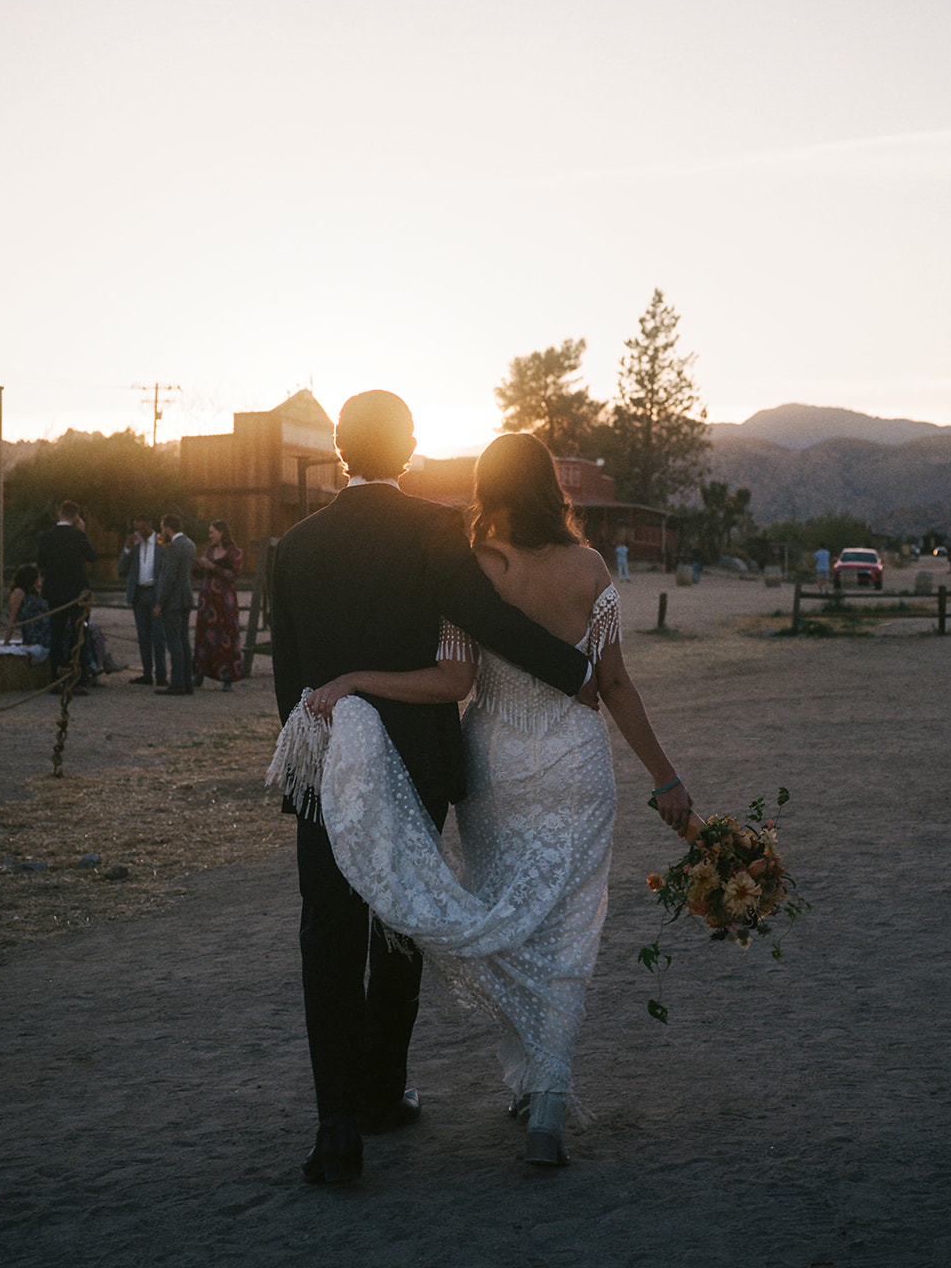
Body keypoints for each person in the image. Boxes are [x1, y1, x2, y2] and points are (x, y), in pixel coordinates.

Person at [299, 432, 694, 1172]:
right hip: (576, 763)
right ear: (550, 484)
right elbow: (612, 684)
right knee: (569, 933)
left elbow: (451, 683)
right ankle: (546, 1097)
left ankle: (533, 1081)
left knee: (514, 927)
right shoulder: (588, 567)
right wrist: (665, 780)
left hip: (497, 768)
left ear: (488, 484)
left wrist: (356, 679)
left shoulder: (477, 567)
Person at [268, 391, 596, 1188]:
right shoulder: (431, 530)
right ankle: (382, 1091)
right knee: (400, 919)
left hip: (324, 758)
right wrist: (575, 671)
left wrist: (310, 755)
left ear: (341, 448)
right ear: (409, 446)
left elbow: (288, 679)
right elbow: (489, 620)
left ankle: (335, 1126)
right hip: (414, 759)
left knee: (330, 930)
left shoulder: (292, 547)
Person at [37, 501, 97, 692]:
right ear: (76, 517)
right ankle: (78, 679)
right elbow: (92, 556)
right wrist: (82, 532)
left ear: (59, 514)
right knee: (79, 634)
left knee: (56, 634)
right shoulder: (78, 536)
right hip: (77, 592)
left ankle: (56, 678)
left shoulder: (45, 536)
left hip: (54, 591)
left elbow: (40, 562)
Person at [193, 520, 244, 690]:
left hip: (225, 602)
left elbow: (233, 575)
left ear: (221, 533)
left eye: (212, 532)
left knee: (226, 636)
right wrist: (199, 565)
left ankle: (227, 677)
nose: (210, 535)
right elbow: (199, 574)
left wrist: (213, 567)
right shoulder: (209, 550)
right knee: (203, 635)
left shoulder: (234, 552)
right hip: (207, 601)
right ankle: (199, 674)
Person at [118, 515, 167, 686]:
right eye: (135, 529)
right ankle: (147, 673)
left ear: (149, 525)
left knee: (159, 635)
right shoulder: (134, 545)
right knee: (143, 635)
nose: (138, 532)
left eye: (141, 528)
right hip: (138, 594)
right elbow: (121, 569)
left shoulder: (161, 543)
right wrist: (128, 549)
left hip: (155, 593)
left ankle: (161, 674)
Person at [153, 514, 197, 695]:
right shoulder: (190, 545)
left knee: (174, 643)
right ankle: (187, 682)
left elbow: (168, 578)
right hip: (185, 597)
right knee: (184, 642)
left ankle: (177, 682)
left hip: (173, 601)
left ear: (167, 527)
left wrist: (159, 603)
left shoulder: (173, 548)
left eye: (163, 527)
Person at [2, 564, 49, 657]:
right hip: (36, 635)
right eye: (37, 578)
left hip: (47, 630)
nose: (39, 581)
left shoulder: (35, 593)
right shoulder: (19, 593)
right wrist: (5, 642)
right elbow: (12, 620)